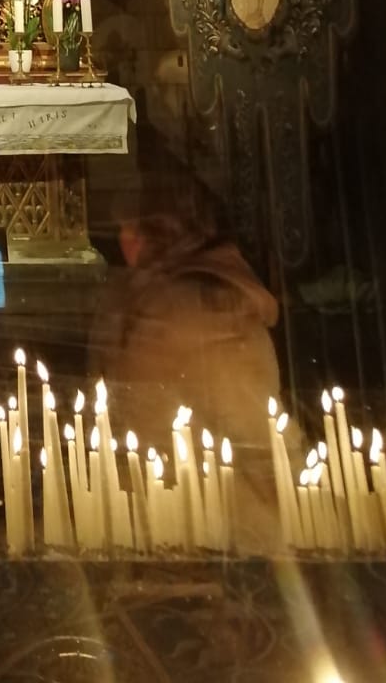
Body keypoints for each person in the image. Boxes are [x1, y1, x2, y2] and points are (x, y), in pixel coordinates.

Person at [89, 171, 283, 551]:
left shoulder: (195, 312)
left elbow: (248, 427)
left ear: (158, 234)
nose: (123, 241)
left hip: (216, 526)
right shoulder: (155, 299)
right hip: (179, 515)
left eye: (130, 229)